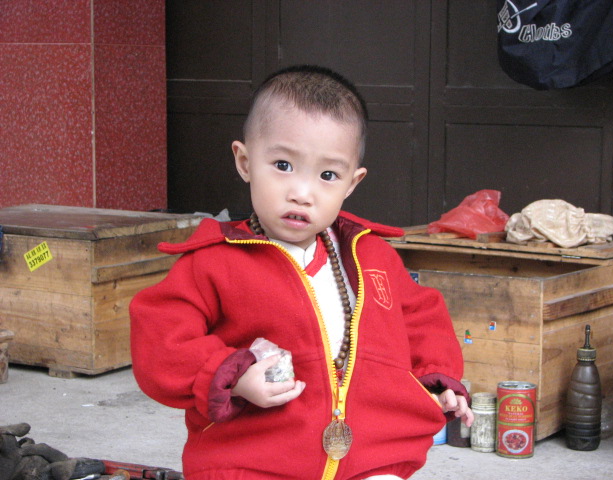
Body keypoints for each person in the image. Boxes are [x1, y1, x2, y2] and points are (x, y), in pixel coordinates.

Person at [130, 65, 473, 480]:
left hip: (371, 459)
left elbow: (421, 316)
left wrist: (437, 379)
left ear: (351, 183)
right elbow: (160, 339)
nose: (302, 193)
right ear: (244, 161)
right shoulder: (212, 262)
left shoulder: (372, 256)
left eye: (328, 175)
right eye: (282, 165)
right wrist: (231, 375)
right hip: (252, 462)